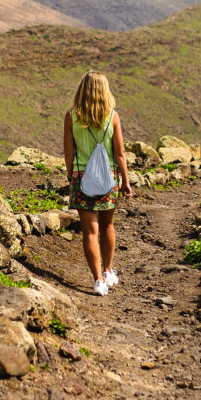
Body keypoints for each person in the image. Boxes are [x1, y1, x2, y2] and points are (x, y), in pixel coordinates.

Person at [63, 70, 133, 295]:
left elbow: (68, 152)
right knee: (107, 226)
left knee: (90, 232)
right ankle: (109, 270)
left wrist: (70, 175)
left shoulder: (71, 116)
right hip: (108, 177)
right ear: (104, 90)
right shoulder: (112, 116)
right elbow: (120, 152)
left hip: (82, 178)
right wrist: (126, 181)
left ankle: (98, 280)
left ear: (82, 90)